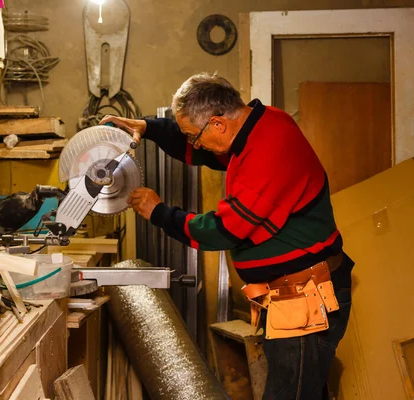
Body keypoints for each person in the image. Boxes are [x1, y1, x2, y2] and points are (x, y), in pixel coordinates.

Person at [100, 72, 354, 400]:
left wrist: (160, 213)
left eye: (195, 136)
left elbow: (226, 230)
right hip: (294, 290)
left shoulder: (265, 152)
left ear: (218, 123)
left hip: (304, 294)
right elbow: (207, 151)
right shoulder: (260, 123)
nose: (194, 145)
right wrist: (149, 128)